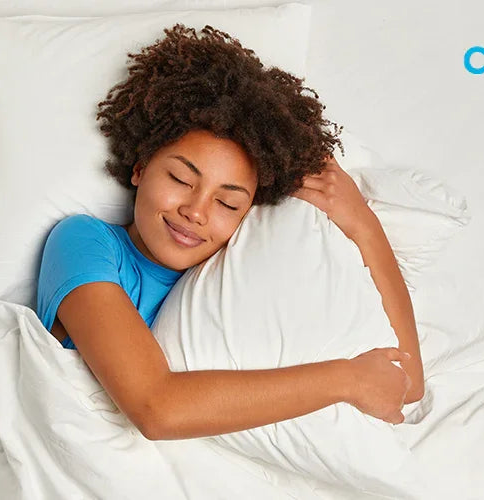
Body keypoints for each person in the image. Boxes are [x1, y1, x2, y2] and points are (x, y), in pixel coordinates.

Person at [36, 24, 424, 441]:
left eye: (227, 203)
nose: (195, 212)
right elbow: (157, 408)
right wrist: (346, 380)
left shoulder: (237, 273)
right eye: (181, 179)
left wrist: (364, 226)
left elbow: (406, 384)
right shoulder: (84, 243)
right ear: (140, 167)